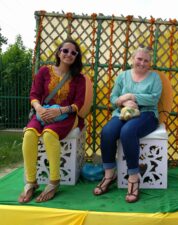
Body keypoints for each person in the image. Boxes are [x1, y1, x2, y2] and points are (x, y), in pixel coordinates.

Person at [18, 38, 86, 203]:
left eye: (73, 52)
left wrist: (60, 110)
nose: (68, 54)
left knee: (49, 135)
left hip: (66, 116)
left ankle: (54, 182)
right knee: (29, 134)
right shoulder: (44, 71)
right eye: (65, 51)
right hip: (42, 113)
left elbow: (78, 103)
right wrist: (39, 109)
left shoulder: (79, 78)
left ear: (76, 57)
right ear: (59, 52)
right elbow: (34, 94)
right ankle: (31, 182)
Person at [93, 45, 162, 203]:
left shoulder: (155, 78)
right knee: (108, 132)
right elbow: (113, 98)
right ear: (132, 59)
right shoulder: (123, 76)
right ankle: (109, 175)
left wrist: (132, 96)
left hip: (147, 114)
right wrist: (123, 102)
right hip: (122, 112)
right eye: (139, 59)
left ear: (150, 63)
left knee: (127, 132)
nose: (142, 63)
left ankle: (133, 178)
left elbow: (154, 98)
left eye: (146, 60)